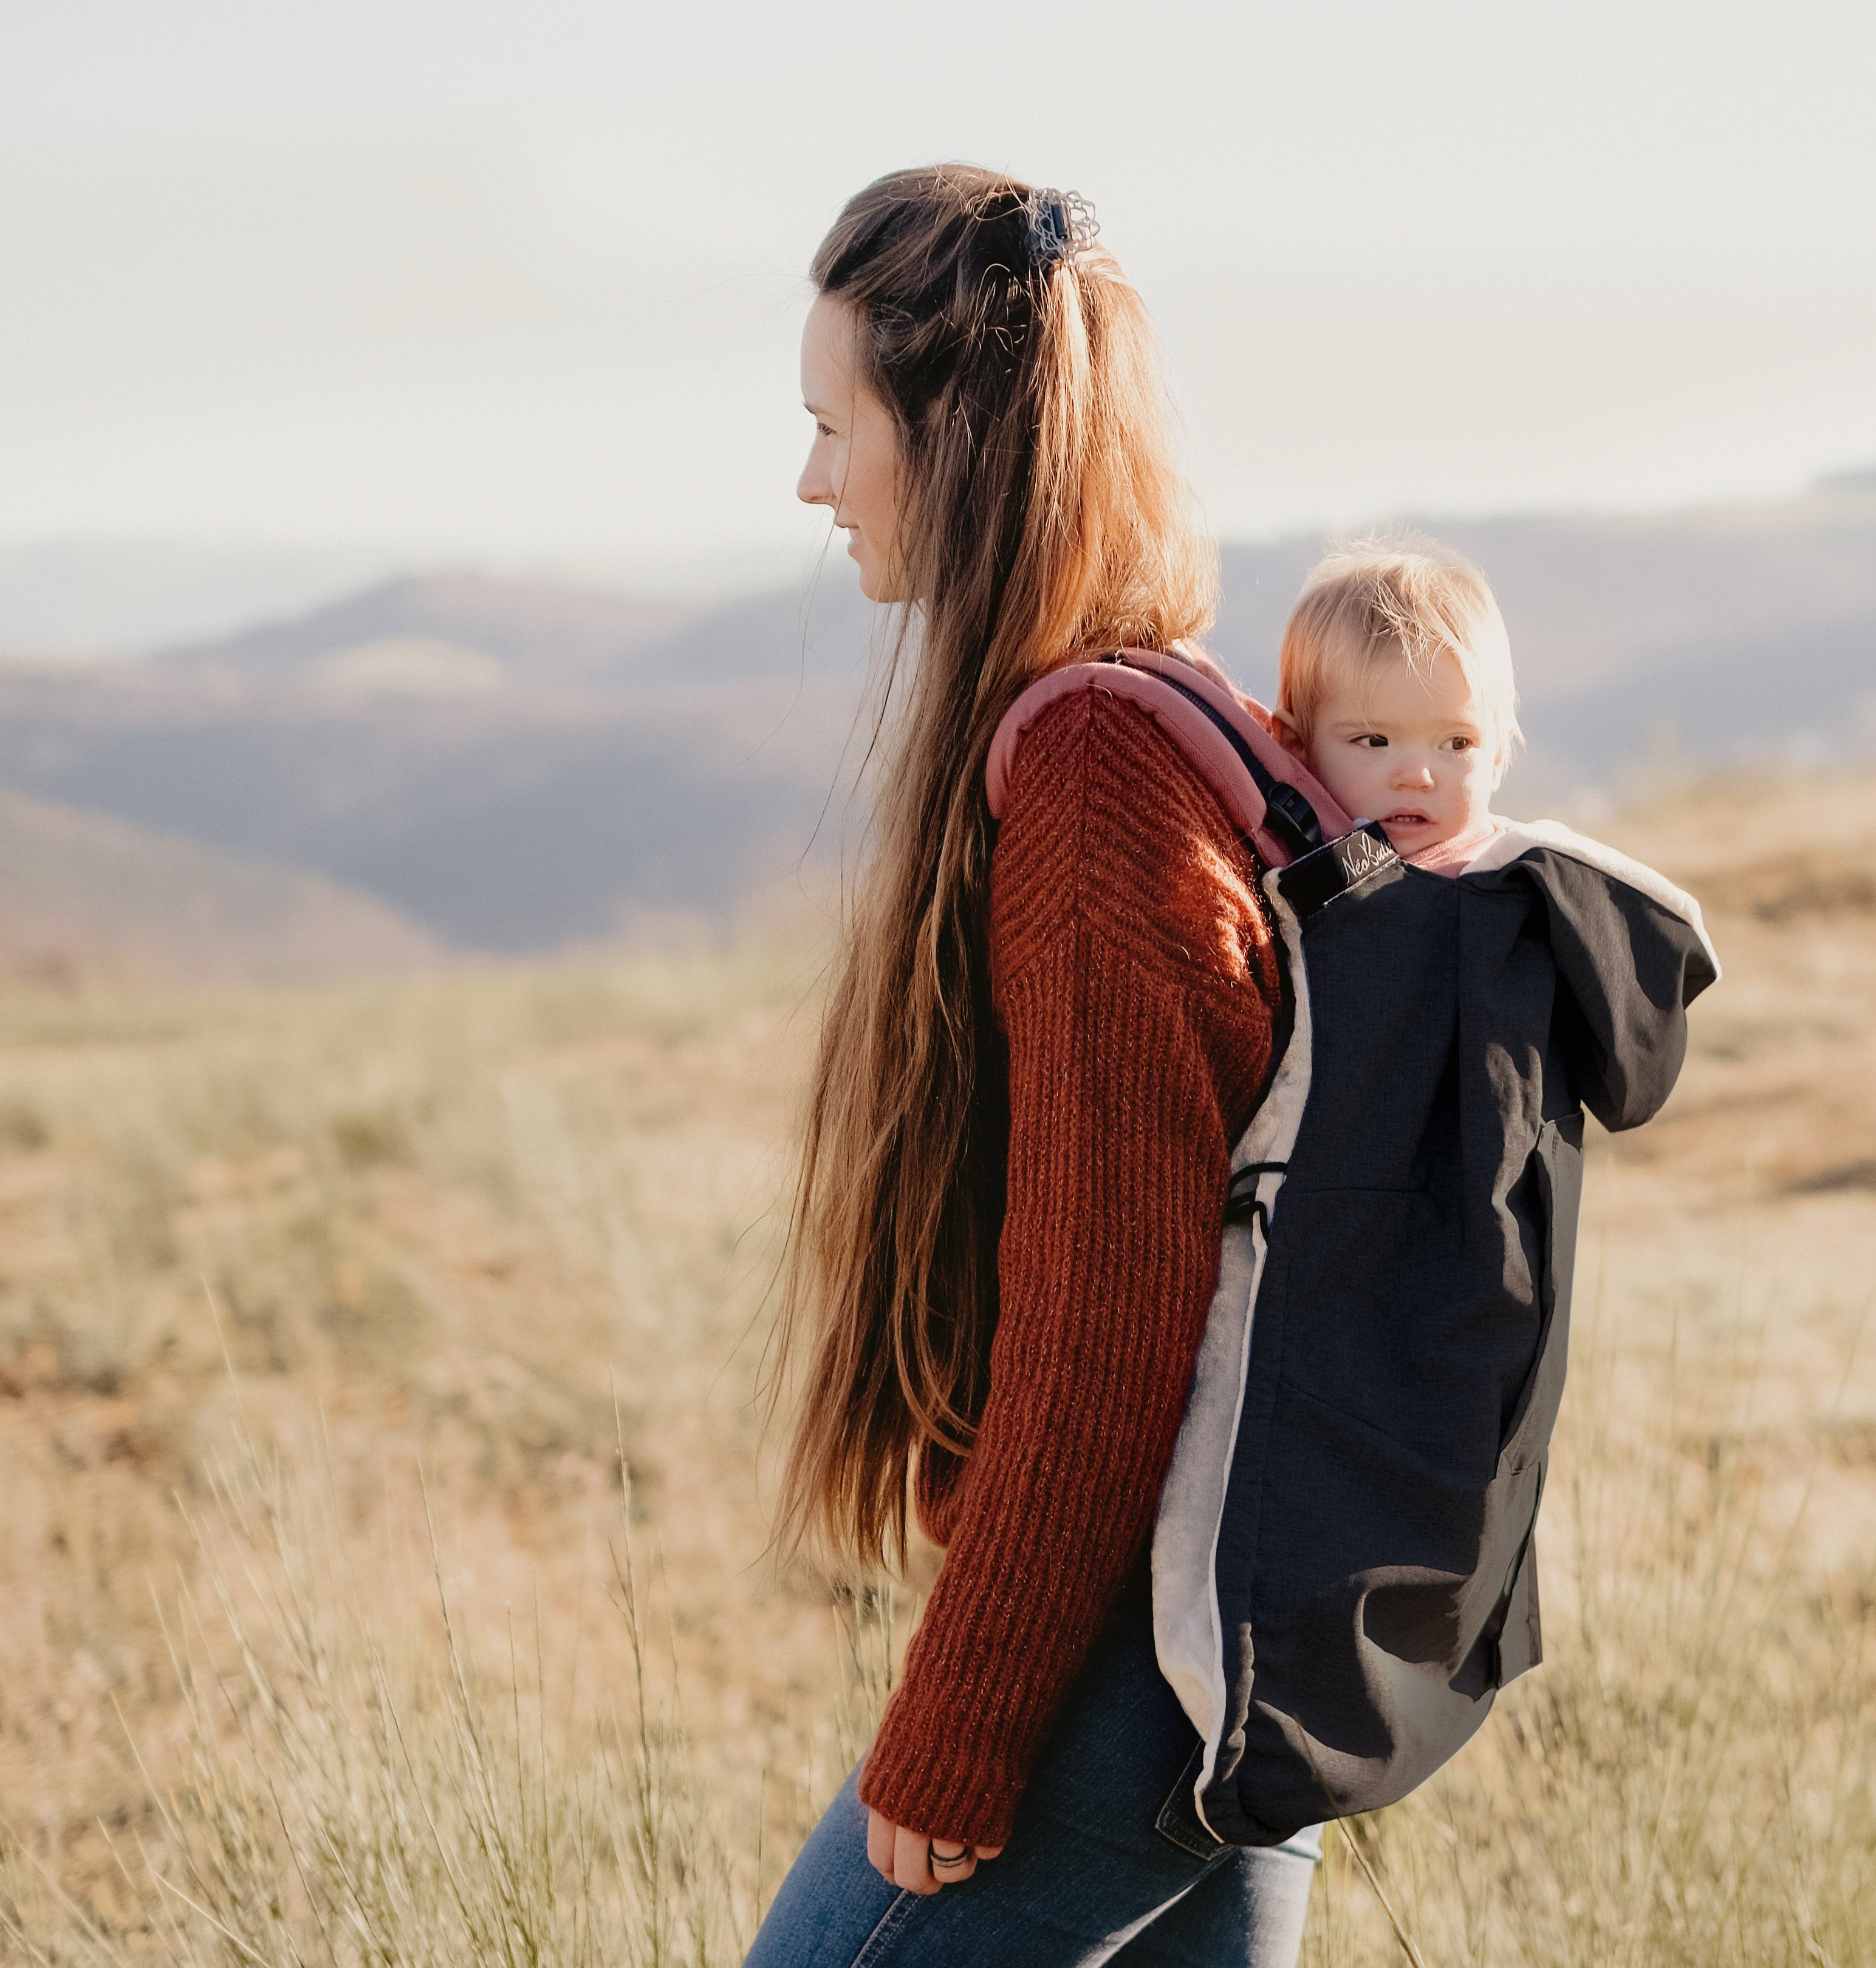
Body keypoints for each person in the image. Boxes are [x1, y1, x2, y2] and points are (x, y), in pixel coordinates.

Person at [746, 165, 1321, 1967]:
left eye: (840, 425)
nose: (814, 479)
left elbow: (1106, 1314)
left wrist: (960, 1725)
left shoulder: (1087, 776)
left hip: (1122, 1656)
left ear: (961, 436)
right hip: (1229, 1620)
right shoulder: (1172, 707)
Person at [1270, 539, 1518, 876]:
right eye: (1375, 741)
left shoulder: (1519, 891)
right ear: (1296, 747)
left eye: (1457, 743)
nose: (1417, 777)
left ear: (1497, 754)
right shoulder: (1282, 868)